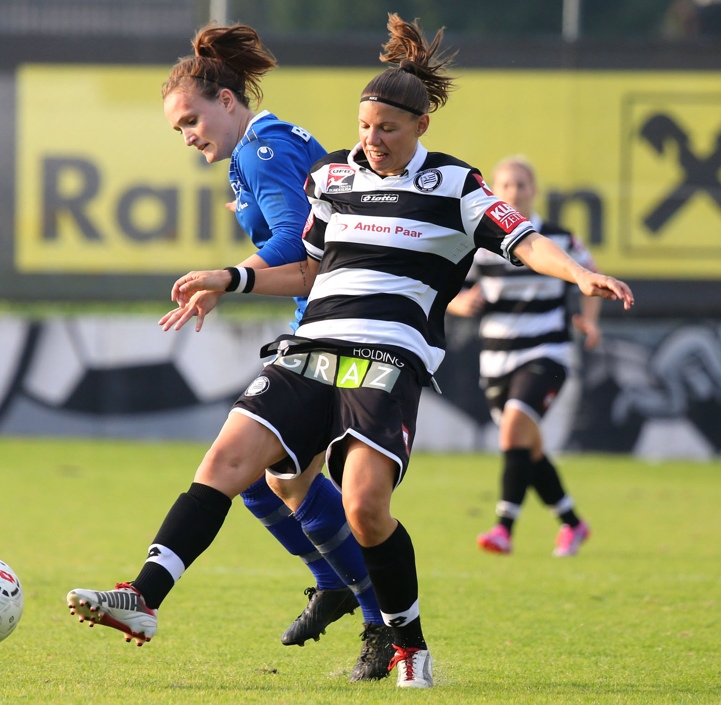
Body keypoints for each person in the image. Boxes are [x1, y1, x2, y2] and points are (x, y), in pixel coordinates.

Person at [67, 14, 634, 690]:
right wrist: (230, 277)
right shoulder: (333, 179)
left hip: (386, 359)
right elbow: (306, 268)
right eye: (365, 128)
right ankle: (145, 598)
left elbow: (528, 241)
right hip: (311, 349)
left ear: (420, 127)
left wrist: (577, 273)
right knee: (227, 461)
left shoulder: (458, 187)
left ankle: (407, 645)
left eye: (387, 130)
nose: (372, 141)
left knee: (365, 506)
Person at [153, 23, 393, 681]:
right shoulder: (262, 148)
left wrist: (225, 277)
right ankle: (339, 587)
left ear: (227, 101)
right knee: (267, 479)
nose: (187, 135)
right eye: (177, 129)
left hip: (339, 331)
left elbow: (295, 244)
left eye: (191, 120)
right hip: (325, 324)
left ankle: (373, 611)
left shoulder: (259, 151)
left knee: (274, 477)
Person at [447, 156, 600, 557]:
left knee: (514, 427)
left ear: (534, 190)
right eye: (507, 185)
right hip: (496, 361)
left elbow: (590, 271)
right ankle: (572, 523)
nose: (515, 192)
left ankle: (503, 528)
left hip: (547, 352)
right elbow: (445, 288)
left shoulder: (559, 239)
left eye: (522, 185)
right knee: (527, 449)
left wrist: (589, 320)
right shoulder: (480, 245)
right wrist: (459, 304)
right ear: (495, 192)